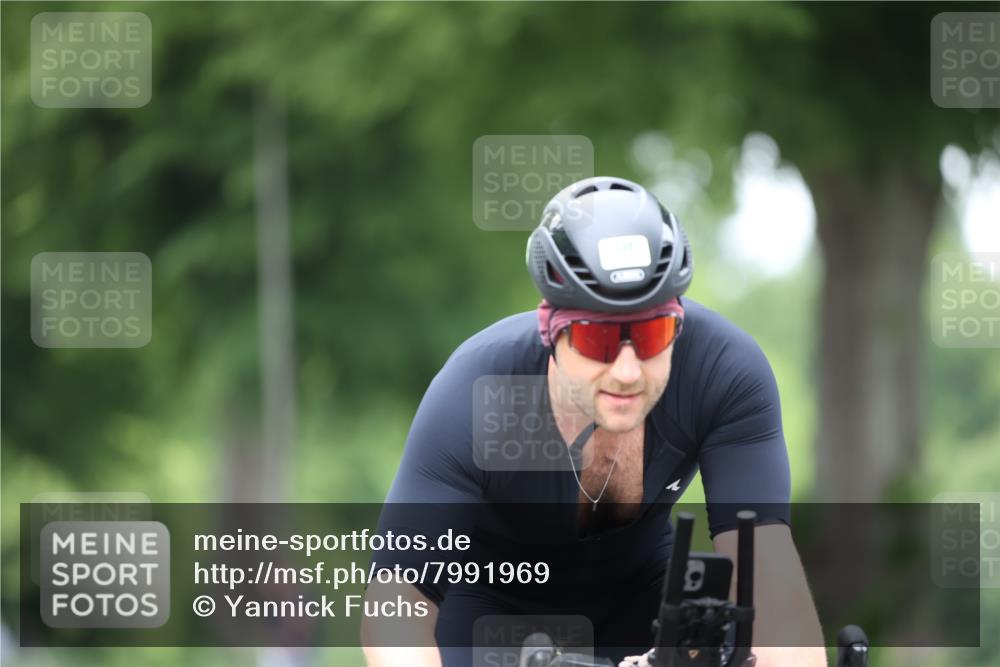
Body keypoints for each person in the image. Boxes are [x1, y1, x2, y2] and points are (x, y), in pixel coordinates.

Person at [361, 177, 826, 667]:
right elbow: (396, 607)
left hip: (642, 595)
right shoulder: (476, 393)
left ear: (678, 325)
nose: (626, 373)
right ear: (550, 328)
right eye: (598, 341)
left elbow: (773, 587)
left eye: (650, 336)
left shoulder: (723, 373)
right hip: (492, 607)